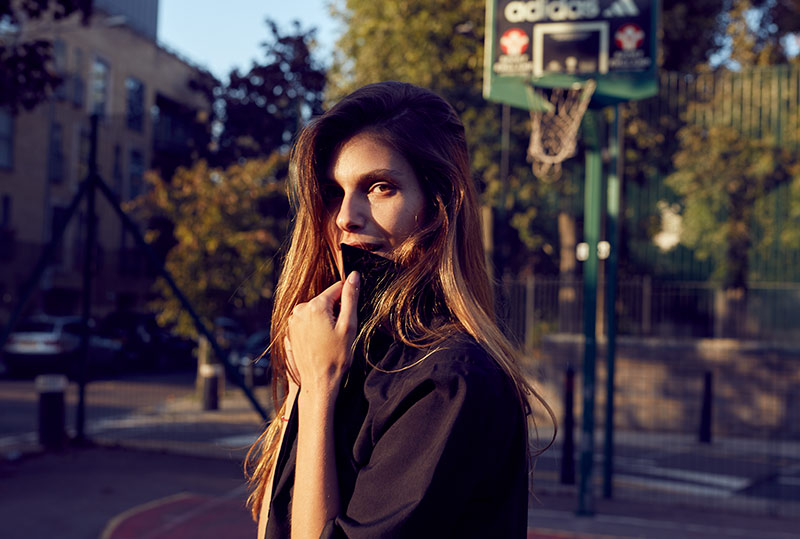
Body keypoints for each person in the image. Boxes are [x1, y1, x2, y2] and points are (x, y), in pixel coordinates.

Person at [245, 81, 554, 539]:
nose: (345, 216)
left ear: (437, 207)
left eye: (380, 187)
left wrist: (318, 392)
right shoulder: (343, 354)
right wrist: (301, 386)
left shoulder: (448, 380)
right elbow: (275, 526)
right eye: (333, 191)